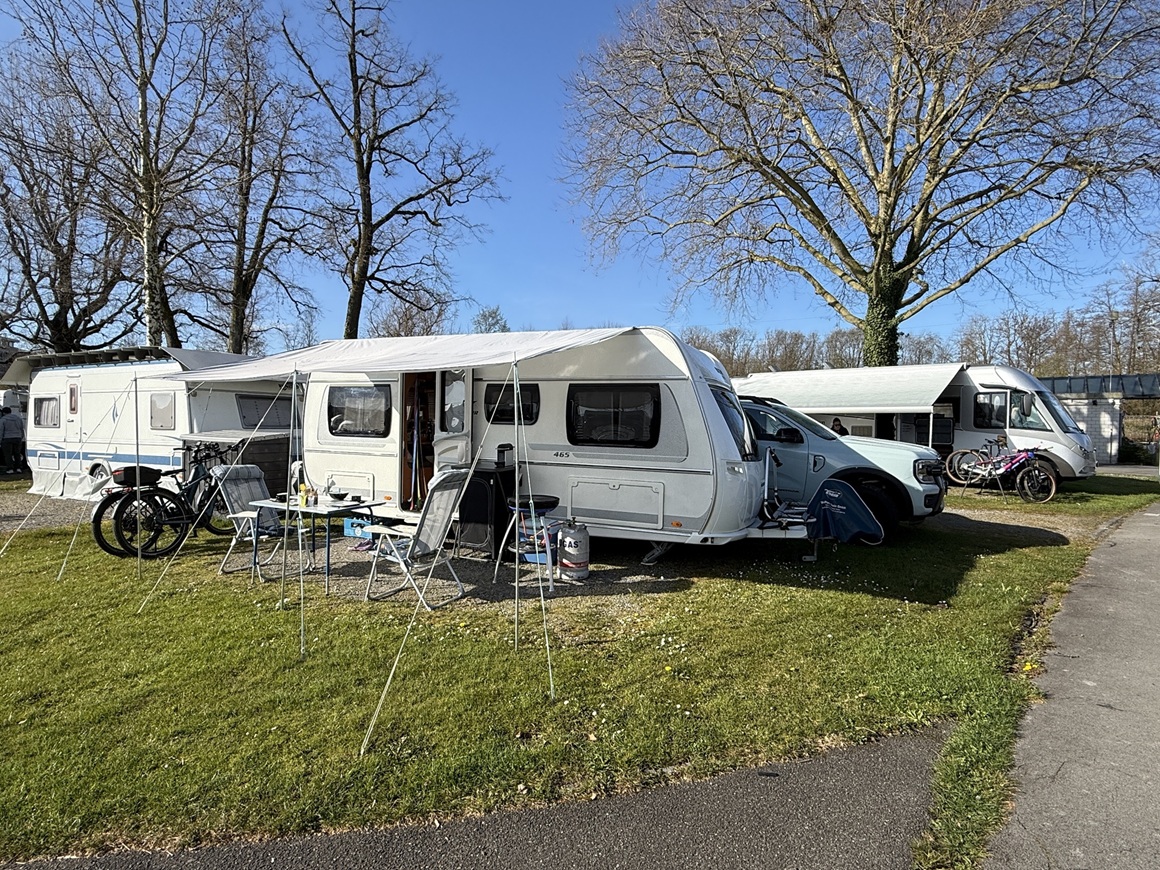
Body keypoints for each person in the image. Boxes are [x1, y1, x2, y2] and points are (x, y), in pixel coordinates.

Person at [0, 406, 25, 473]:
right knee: (17, 453)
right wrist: (21, 437)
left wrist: (0, 440)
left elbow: (1, 431)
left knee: (8, 454)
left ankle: (10, 469)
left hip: (7, 438)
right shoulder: (18, 418)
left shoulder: (3, 420)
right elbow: (21, 429)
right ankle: (18, 468)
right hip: (18, 438)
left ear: (3, 413)